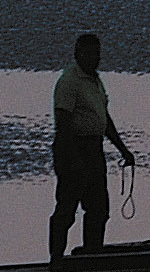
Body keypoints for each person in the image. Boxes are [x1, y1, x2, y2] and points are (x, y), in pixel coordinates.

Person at [50, 32, 136, 259]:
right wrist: (75, 160)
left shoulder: (95, 80)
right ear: (78, 54)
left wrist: (123, 149)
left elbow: (103, 119)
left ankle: (92, 255)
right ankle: (56, 259)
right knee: (67, 209)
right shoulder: (69, 82)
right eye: (90, 54)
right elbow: (63, 124)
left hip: (93, 148)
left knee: (98, 208)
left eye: (98, 54)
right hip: (71, 148)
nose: (96, 59)